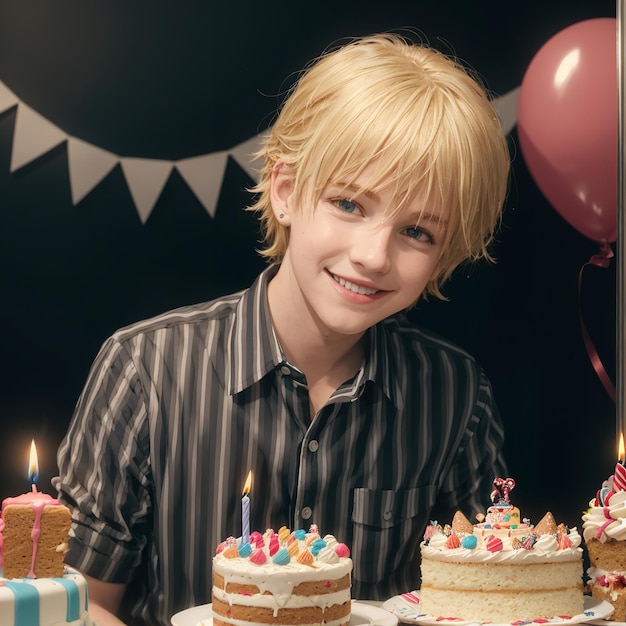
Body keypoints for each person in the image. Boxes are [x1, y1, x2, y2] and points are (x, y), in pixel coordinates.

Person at [53, 33, 510, 626]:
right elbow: (78, 603)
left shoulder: (453, 392)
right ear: (287, 190)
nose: (374, 256)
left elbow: (489, 599)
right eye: (349, 204)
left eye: (418, 232)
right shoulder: (146, 367)